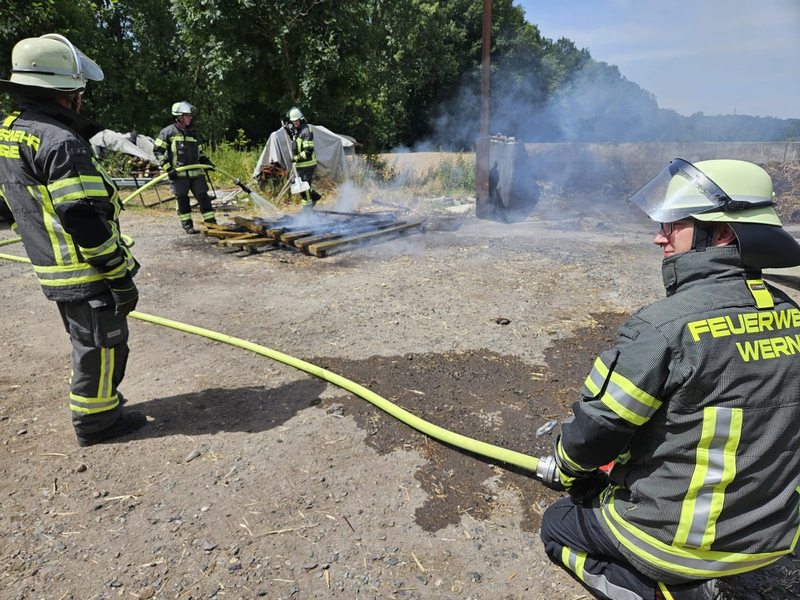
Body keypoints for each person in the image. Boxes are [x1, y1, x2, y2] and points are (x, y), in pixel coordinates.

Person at [540, 158, 800, 600]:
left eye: (674, 224)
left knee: (557, 526)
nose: (659, 236)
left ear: (722, 234)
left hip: (678, 543)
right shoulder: (791, 314)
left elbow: (596, 431)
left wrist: (566, 467)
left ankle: (674, 592)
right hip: (773, 540)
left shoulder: (663, 328)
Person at [0, 34, 147, 447]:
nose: (82, 98)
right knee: (100, 346)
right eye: (79, 91)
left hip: (54, 269)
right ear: (66, 94)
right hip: (85, 271)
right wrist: (119, 275)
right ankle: (98, 422)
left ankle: (99, 408)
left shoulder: (10, 132)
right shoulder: (61, 143)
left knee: (88, 341)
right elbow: (84, 219)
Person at [154, 101, 216, 234]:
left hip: (196, 174)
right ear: (179, 117)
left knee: (204, 197)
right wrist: (168, 168)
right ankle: (187, 226)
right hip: (179, 175)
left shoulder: (193, 133)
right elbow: (158, 151)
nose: (190, 118)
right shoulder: (168, 132)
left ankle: (212, 224)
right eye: (187, 115)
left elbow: (199, 152)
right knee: (182, 200)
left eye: (190, 116)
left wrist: (206, 161)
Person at [283, 106, 321, 212]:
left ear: (301, 119)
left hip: (307, 164)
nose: (295, 123)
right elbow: (296, 142)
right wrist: (289, 132)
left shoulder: (306, 131)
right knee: (299, 186)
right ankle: (314, 197)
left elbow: (308, 151)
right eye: (293, 121)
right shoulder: (297, 131)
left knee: (304, 187)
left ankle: (307, 210)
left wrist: (296, 158)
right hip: (299, 165)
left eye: (296, 120)